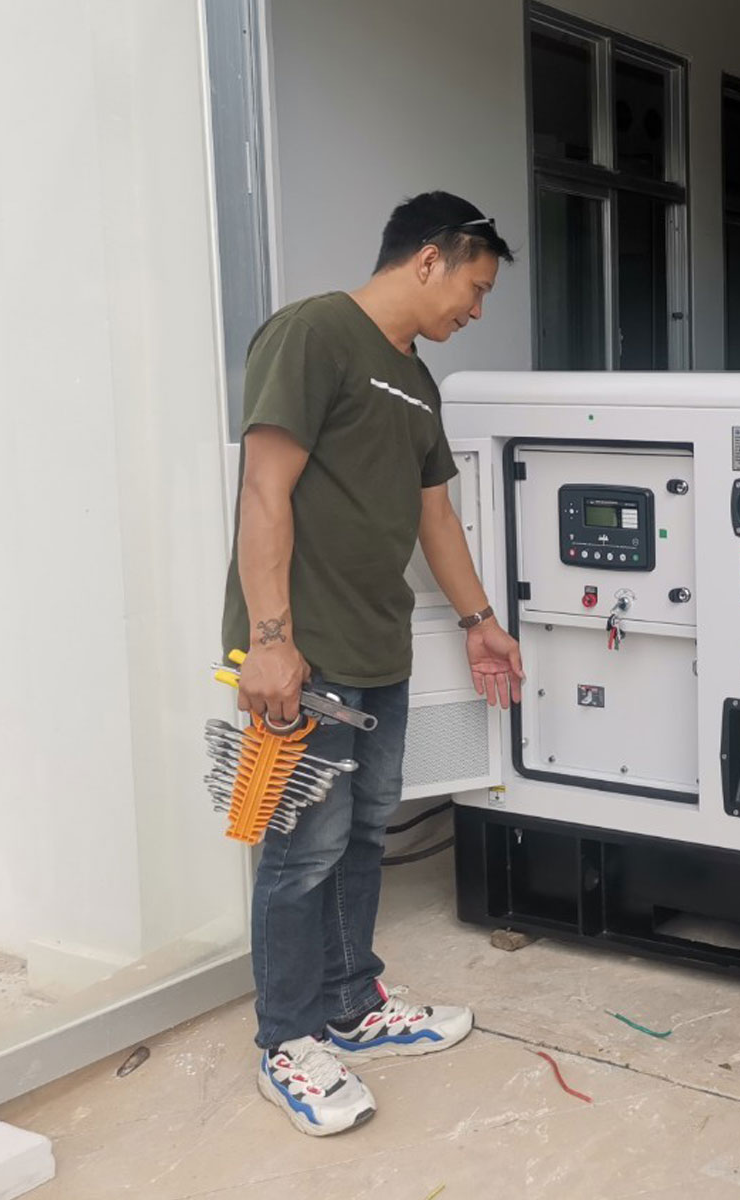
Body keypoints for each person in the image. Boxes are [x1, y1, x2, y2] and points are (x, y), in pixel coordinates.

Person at [222, 191, 526, 1136]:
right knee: (301, 851)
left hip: (376, 644)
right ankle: (287, 1040)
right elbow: (264, 486)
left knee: (362, 835)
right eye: (475, 287)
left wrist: (480, 621)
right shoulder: (313, 333)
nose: (476, 309)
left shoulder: (417, 381)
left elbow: (436, 515)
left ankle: (351, 1004)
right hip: (303, 651)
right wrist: (270, 642)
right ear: (429, 258)